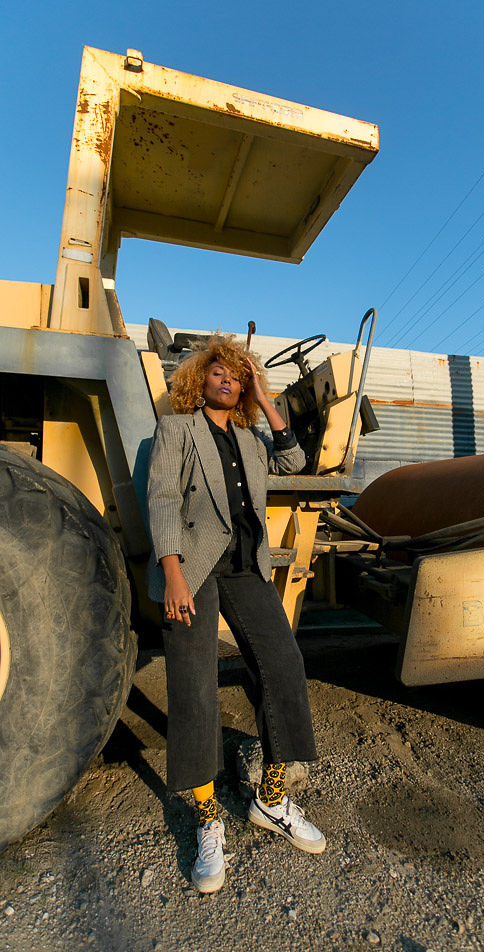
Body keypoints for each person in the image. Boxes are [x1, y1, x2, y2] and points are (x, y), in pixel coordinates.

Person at [146, 334, 325, 894]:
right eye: (219, 374)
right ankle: (206, 820)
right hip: (193, 569)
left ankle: (269, 801)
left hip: (247, 567)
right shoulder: (177, 430)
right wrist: (173, 571)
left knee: (284, 667)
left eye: (237, 376)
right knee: (194, 687)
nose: (228, 381)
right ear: (201, 381)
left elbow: (296, 459)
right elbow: (163, 499)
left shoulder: (250, 437)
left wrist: (265, 393)